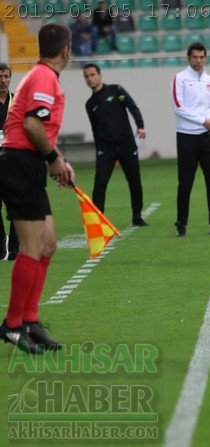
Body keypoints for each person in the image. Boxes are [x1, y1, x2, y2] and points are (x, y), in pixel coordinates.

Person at [0, 23, 75, 354]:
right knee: (31, 247)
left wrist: (58, 160)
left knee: (47, 244)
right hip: (19, 163)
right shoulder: (44, 77)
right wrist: (52, 159)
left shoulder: (41, 76)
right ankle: (12, 325)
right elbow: (31, 124)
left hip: (27, 163)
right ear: (66, 51)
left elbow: (37, 126)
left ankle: (29, 321)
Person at [171, 42, 210, 237]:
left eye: (201, 57)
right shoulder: (179, 78)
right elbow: (178, 107)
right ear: (188, 57)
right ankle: (181, 223)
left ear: (205, 58)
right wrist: (201, 120)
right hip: (186, 137)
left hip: (207, 138)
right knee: (185, 182)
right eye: (194, 57)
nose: (198, 60)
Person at [83, 63, 148, 226]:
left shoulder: (116, 90)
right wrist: (97, 152)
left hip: (126, 145)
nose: (90, 78)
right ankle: (98, 219)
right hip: (106, 149)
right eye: (87, 76)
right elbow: (95, 130)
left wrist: (140, 125)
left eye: (92, 75)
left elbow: (132, 107)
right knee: (100, 184)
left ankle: (137, 216)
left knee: (134, 181)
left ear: (100, 75)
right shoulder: (90, 104)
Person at [0, 62, 18, 261]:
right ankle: (0, 244)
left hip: (13, 160)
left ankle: (15, 247)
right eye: (0, 77)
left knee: (15, 205)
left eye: (6, 77)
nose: (3, 81)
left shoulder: (17, 101)